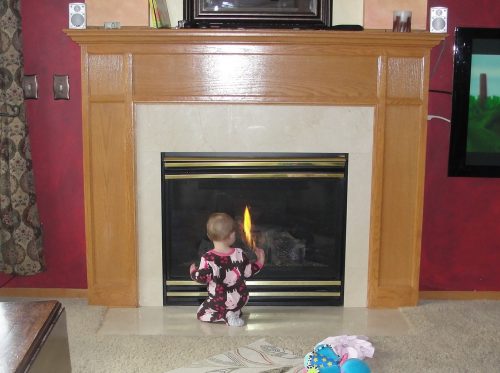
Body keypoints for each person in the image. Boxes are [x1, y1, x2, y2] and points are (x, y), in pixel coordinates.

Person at [190, 212, 265, 327]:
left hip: (220, 300)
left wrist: (193, 272)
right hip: (241, 298)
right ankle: (233, 312)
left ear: (209, 236)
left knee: (201, 313)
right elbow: (249, 271)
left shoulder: (208, 258)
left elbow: (202, 278)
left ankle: (225, 315)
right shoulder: (240, 253)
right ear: (232, 236)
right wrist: (260, 261)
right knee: (230, 305)